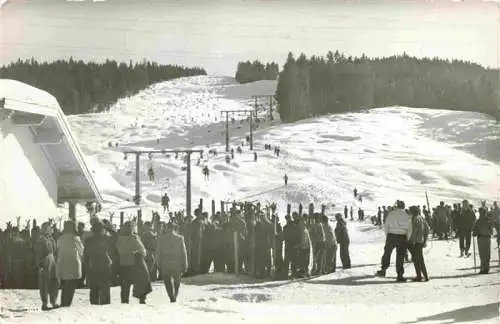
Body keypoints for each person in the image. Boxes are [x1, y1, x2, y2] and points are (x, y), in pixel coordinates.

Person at [376, 200, 412, 282]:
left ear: (397, 206)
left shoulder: (391, 214)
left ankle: (383, 270)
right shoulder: (407, 215)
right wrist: (407, 237)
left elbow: (386, 226)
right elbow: (410, 229)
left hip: (391, 235)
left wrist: (388, 235)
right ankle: (399, 275)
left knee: (387, 253)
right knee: (400, 256)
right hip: (402, 236)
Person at [156, 222, 188, 303]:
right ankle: (175, 295)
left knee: (167, 282)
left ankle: (171, 297)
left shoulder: (161, 238)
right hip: (177, 263)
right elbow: (183, 252)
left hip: (165, 263)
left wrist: (158, 264)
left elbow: (158, 252)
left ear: (166, 228)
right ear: (174, 228)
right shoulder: (180, 238)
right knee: (177, 281)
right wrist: (185, 264)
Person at [83, 219, 113, 305]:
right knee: (105, 287)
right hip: (105, 264)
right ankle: (105, 304)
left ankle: (94, 304)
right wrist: (109, 228)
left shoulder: (89, 240)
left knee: (94, 288)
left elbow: (86, 255)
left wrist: (87, 268)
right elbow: (115, 237)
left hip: (94, 264)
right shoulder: (106, 238)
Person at [116, 221, 146, 304]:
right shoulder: (134, 238)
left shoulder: (118, 238)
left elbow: (118, 250)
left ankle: (124, 301)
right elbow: (142, 251)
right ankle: (141, 299)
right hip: (133, 264)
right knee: (140, 282)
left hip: (122, 264)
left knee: (125, 286)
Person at [56, 221, 84, 307]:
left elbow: (57, 250)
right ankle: (67, 304)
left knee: (65, 286)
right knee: (71, 286)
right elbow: (82, 251)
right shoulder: (76, 238)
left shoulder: (60, 239)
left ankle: (63, 303)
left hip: (63, 264)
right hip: (73, 265)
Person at [34, 222, 60, 311]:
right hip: (44, 260)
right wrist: (39, 265)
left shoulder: (52, 239)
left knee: (55, 281)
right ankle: (44, 304)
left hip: (52, 260)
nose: (51, 229)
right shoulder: (41, 239)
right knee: (44, 283)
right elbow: (38, 254)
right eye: (49, 228)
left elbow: (55, 250)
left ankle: (53, 301)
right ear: (45, 229)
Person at [407, 206, 429, 282]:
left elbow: (414, 231)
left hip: (416, 241)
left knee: (417, 259)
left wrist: (410, 240)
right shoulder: (421, 218)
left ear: (413, 212)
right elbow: (427, 229)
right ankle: (425, 275)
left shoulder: (415, 219)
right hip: (421, 241)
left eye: (410, 211)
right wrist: (425, 239)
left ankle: (419, 276)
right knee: (420, 258)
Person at [472, 208, 494, 274]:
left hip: (483, 238)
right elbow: (491, 231)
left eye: (481, 212)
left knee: (484, 254)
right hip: (484, 238)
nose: (481, 214)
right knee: (485, 254)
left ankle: (484, 268)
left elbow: (475, 231)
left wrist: (475, 232)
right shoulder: (486, 221)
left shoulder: (480, 221)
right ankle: (485, 268)